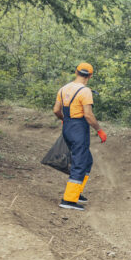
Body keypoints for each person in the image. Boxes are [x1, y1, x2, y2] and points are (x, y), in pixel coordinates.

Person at [52, 62, 106, 211]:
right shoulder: (85, 91)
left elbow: (56, 110)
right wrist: (99, 130)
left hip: (68, 127)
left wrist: (65, 120)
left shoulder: (63, 89)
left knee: (87, 160)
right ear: (90, 75)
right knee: (80, 162)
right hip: (79, 129)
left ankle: (77, 192)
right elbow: (88, 115)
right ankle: (68, 200)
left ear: (76, 72)